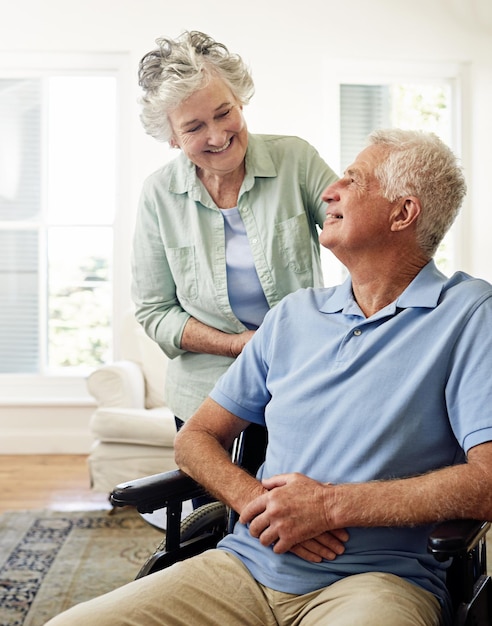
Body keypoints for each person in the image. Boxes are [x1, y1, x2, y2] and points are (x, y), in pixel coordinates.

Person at [45, 129, 492, 626]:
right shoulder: (291, 317)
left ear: (402, 213)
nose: (329, 191)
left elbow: (489, 480)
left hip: (379, 582)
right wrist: (258, 501)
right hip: (244, 567)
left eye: (353, 180)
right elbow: (195, 438)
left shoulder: (470, 314)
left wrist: (330, 507)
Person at [131, 30, 339, 429]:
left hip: (300, 382)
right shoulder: (159, 194)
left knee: (294, 492)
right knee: (214, 493)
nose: (217, 135)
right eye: (193, 127)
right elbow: (155, 311)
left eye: (224, 112)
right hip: (205, 396)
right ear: (172, 138)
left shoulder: (295, 159)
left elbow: (355, 228)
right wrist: (235, 346)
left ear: (240, 100)